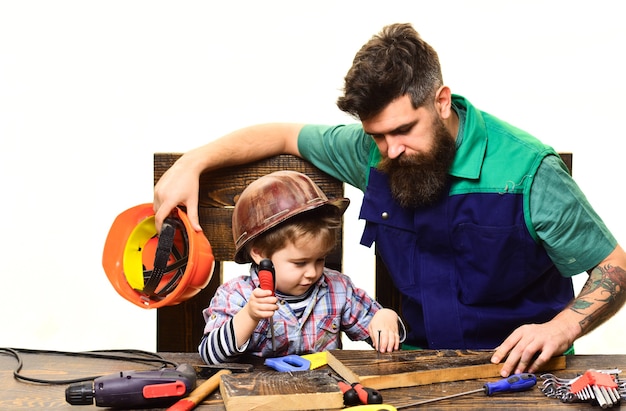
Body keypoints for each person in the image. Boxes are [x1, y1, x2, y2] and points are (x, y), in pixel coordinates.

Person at [154, 23, 626, 376]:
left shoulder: (527, 170)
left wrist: (560, 329)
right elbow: (282, 134)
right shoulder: (374, 150)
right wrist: (192, 163)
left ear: (441, 102)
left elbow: (614, 266)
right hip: (413, 371)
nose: (391, 151)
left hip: (522, 372)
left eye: (403, 130)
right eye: (377, 135)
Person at [198, 170, 405, 364]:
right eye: (299, 263)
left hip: (325, 393)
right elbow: (210, 355)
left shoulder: (337, 289)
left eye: (320, 259)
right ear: (260, 253)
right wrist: (249, 316)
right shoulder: (236, 295)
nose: (312, 272)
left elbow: (377, 329)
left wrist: (385, 318)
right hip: (259, 395)